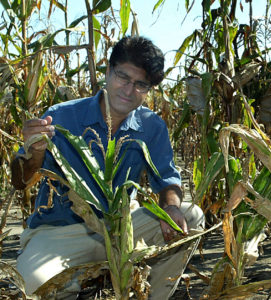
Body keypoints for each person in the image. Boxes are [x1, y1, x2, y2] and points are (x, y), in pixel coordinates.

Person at [11, 36, 204, 299]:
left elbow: (167, 178)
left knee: (189, 216)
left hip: (122, 226)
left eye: (140, 84)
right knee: (31, 288)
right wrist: (34, 152)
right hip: (61, 233)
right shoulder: (61, 116)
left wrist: (170, 205)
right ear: (108, 71)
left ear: (149, 89)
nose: (128, 90)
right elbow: (20, 181)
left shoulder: (151, 125)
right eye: (123, 77)